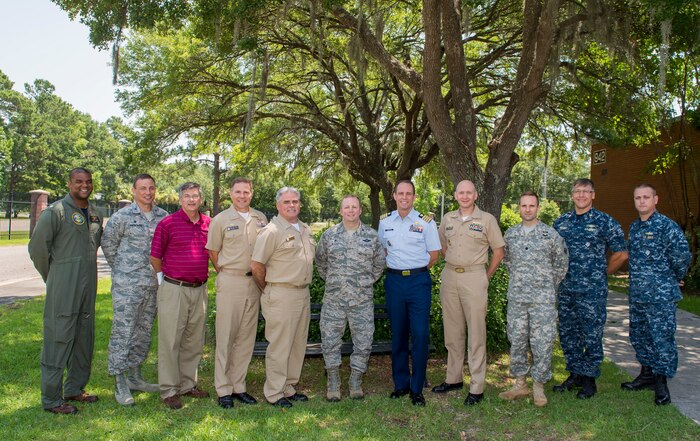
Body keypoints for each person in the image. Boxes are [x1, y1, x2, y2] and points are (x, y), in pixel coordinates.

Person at [28, 167, 103, 414]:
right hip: (64, 284)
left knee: (84, 336)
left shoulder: (94, 214)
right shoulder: (55, 212)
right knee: (58, 337)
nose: (85, 185)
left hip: (88, 284)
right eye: (79, 181)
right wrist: (54, 276)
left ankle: (74, 388)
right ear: (69, 183)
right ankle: (51, 399)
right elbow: (38, 249)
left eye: (88, 181)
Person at [553, 178, 628, 399]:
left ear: (593, 195)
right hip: (566, 288)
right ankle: (575, 373)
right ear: (572, 194)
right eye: (577, 191)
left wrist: (604, 272)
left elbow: (621, 253)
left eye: (586, 191)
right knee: (568, 333)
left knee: (591, 334)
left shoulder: (604, 221)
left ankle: (589, 379)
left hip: (592, 290)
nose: (581, 195)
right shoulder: (562, 222)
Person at [434, 179, 505, 406]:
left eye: (469, 193)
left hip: (475, 277)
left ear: (475, 196)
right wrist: (453, 261)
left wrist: (485, 276)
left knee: (476, 333)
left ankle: (476, 387)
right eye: (460, 192)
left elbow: (499, 251)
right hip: (450, 276)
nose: (464, 196)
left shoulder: (486, 220)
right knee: (452, 332)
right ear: (455, 195)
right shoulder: (448, 219)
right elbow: (442, 245)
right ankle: (453, 378)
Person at [102, 174, 168, 406]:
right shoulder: (122, 217)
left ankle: (136, 377)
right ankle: (120, 381)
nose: (147, 192)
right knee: (123, 332)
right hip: (127, 287)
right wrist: (124, 271)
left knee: (143, 332)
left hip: (153, 285)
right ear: (133, 191)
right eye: (142, 188)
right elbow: (109, 245)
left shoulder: (163, 217)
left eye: (151, 188)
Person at [622, 184, 690, 405]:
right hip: (638, 295)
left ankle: (661, 383)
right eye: (637, 198)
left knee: (661, 339)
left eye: (646, 197)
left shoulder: (666, 226)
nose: (642, 201)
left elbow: (681, 256)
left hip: (660, 296)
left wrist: (673, 278)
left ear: (655, 200)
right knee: (640, 336)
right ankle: (647, 375)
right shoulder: (634, 227)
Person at [499, 191, 568, 407]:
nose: (527, 209)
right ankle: (520, 384)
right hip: (518, 298)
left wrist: (546, 285)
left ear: (538, 208)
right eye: (523, 205)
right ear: (519, 208)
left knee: (542, 343)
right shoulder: (510, 235)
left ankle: (538, 385)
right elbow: (507, 261)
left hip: (543, 300)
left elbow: (561, 264)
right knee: (517, 340)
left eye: (531, 205)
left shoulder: (551, 235)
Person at [315, 195, 386, 401]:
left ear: (360, 210)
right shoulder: (329, 236)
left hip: (361, 301)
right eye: (347, 207)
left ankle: (356, 381)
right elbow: (321, 263)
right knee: (330, 341)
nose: (351, 210)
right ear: (341, 211)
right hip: (334, 300)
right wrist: (337, 281)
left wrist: (363, 282)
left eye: (354, 207)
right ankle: (333, 381)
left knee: (363, 342)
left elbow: (379, 265)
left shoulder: (371, 236)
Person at [251, 187, 315, 408]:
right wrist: (268, 289)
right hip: (281, 293)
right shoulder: (271, 231)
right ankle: (274, 392)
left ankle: (289, 386)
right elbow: (257, 265)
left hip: (302, 293)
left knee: (298, 344)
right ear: (278, 206)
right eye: (286, 202)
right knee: (279, 345)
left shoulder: (304, 229)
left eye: (295, 201)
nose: (291, 205)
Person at [206, 177, 268, 409]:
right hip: (230, 281)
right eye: (238, 192)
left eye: (246, 192)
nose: (242, 196)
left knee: (246, 337)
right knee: (226, 336)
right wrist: (226, 272)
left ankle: (238, 386)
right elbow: (213, 251)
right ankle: (223, 389)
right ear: (230, 194)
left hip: (254, 283)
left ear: (252, 193)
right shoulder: (220, 220)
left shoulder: (260, 218)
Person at [378, 180, 441, 406]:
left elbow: (434, 255)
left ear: (414, 197)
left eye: (409, 194)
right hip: (394, 282)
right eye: (400, 193)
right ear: (394, 195)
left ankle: (417, 388)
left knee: (421, 334)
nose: (404, 197)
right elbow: (383, 249)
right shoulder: (385, 222)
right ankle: (401, 384)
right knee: (399, 334)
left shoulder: (425, 222)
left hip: (418, 282)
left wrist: (416, 271)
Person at [149, 182, 211, 410]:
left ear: (201, 199)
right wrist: (163, 281)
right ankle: (169, 390)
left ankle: (188, 384)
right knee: (170, 340)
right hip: (174, 289)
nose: (192, 200)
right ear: (180, 199)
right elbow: (155, 257)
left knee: (193, 340)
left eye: (195, 196)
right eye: (187, 196)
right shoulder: (168, 223)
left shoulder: (208, 224)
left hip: (200, 289)